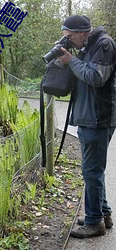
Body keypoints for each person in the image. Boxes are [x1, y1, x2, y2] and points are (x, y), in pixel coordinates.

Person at [58, 15, 116, 238]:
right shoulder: (87, 46)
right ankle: (103, 214)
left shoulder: (104, 44)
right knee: (93, 171)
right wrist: (68, 60)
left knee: (91, 171)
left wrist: (71, 61)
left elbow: (95, 77)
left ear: (82, 32)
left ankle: (94, 223)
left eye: (70, 37)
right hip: (88, 117)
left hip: (98, 118)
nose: (69, 41)